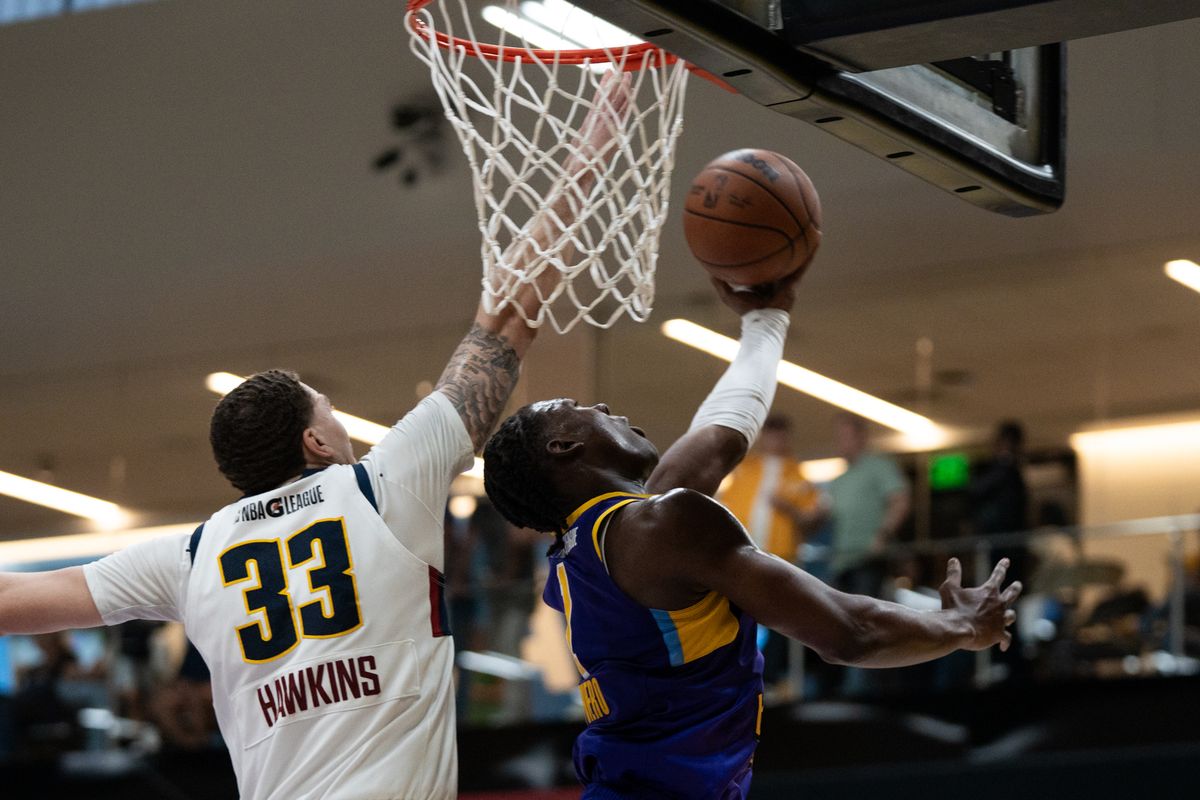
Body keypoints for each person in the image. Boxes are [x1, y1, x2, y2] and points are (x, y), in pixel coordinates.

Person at [0, 76, 631, 800]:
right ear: (317, 444)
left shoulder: (191, 556)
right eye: (327, 411)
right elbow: (511, 313)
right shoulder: (387, 484)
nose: (339, 422)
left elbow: (10, 599)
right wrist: (593, 147)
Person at [482, 274, 1022, 799]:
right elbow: (849, 632)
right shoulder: (662, 529)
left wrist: (766, 319)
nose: (601, 408)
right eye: (580, 412)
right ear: (562, 448)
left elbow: (722, 436)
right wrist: (960, 626)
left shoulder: (609, 540)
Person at [718, 414, 819, 690]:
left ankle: (771, 677)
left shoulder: (796, 474)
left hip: (781, 558)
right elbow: (722, 506)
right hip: (742, 557)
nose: (776, 440)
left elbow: (811, 519)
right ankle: (735, 675)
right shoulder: (744, 470)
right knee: (736, 617)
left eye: (781, 434)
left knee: (780, 619)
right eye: (771, 434)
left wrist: (789, 509)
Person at [823, 413, 910, 596]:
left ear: (861, 436)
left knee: (864, 614)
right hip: (842, 561)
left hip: (869, 558)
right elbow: (823, 514)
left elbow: (900, 501)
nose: (841, 442)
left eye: (846, 436)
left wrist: (883, 535)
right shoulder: (839, 480)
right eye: (839, 437)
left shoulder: (879, 467)